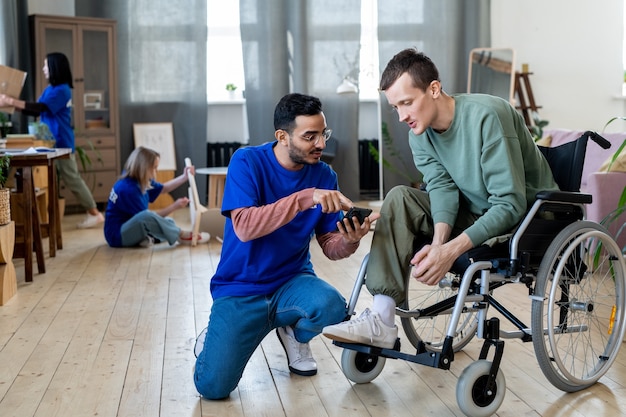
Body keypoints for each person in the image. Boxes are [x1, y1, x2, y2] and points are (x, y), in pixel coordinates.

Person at [322, 48, 559, 349]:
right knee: (399, 198)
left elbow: (510, 204)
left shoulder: (488, 116)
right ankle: (381, 321)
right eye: (395, 107)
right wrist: (437, 245)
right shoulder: (419, 134)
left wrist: (450, 251)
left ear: (434, 88)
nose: (402, 116)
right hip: (476, 211)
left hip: (526, 219)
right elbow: (442, 189)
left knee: (454, 218)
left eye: (407, 103)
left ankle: (382, 320)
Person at [193, 93, 379, 400]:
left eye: (323, 134)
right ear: (282, 136)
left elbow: (330, 245)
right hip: (241, 289)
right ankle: (218, 335)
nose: (321, 144)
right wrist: (305, 198)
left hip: (292, 281)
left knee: (333, 306)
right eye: (310, 136)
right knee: (212, 388)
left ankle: (294, 333)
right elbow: (245, 226)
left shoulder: (324, 175)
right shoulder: (247, 161)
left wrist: (350, 239)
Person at [0, 52, 105, 229]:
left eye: (46, 65)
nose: (43, 69)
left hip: (61, 141)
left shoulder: (62, 90)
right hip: (48, 143)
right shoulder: (50, 89)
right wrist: (10, 104)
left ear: (55, 67)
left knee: (72, 178)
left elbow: (42, 107)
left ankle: (94, 213)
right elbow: (35, 111)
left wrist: (11, 101)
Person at [104, 146, 210, 248]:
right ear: (144, 168)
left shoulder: (138, 180)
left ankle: (149, 239)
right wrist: (175, 206)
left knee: (169, 223)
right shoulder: (128, 190)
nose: (157, 171)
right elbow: (148, 218)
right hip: (117, 237)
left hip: (127, 227)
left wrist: (184, 177)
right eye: (154, 168)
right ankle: (182, 235)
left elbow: (163, 188)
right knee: (156, 221)